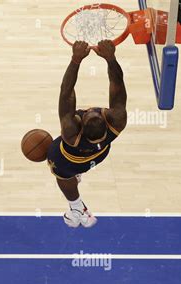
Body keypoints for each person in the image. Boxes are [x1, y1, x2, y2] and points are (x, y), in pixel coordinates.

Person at [47, 40, 128, 228]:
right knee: (81, 166)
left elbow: (66, 93)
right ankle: (79, 175)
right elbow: (117, 83)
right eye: (97, 112)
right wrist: (110, 58)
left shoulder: (71, 133)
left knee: (60, 172)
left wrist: (76, 60)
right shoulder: (117, 121)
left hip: (66, 160)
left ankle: (77, 208)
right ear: (105, 120)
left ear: (80, 125)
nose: (93, 110)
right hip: (99, 155)